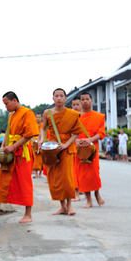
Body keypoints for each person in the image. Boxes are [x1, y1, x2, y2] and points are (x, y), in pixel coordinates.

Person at [0, 92, 39, 223]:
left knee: (24, 182)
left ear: (14, 100)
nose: (6, 107)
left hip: (22, 152)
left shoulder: (27, 113)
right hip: (10, 151)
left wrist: (13, 147)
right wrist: (4, 145)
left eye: (7, 103)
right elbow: (8, 132)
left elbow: (29, 134)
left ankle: (28, 214)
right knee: (2, 178)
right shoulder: (12, 115)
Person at [40, 88, 83, 216]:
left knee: (67, 178)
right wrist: (42, 139)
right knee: (55, 179)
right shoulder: (47, 113)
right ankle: (62, 206)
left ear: (65, 99)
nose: (59, 98)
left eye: (61, 96)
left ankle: (70, 206)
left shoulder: (72, 114)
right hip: (52, 149)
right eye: (56, 96)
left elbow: (76, 133)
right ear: (53, 98)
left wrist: (66, 145)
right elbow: (43, 129)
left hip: (66, 148)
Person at [76, 92, 106, 208]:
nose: (84, 101)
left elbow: (101, 133)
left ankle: (97, 193)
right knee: (83, 175)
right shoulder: (76, 117)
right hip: (80, 150)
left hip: (93, 149)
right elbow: (72, 133)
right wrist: (77, 141)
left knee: (94, 173)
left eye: (87, 99)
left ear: (91, 100)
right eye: (82, 99)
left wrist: (90, 140)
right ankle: (88, 199)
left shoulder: (99, 116)